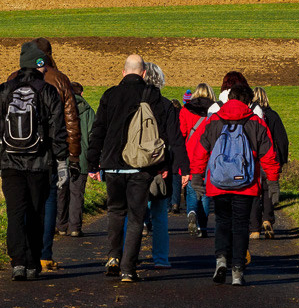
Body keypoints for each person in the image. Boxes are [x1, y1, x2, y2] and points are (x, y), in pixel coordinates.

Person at [86, 54, 185, 283]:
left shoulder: (109, 95)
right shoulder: (154, 97)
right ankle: (128, 269)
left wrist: (92, 162)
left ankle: (113, 256)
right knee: (135, 217)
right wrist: (169, 165)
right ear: (143, 73)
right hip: (140, 167)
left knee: (115, 211)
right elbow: (166, 135)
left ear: (123, 72)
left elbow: (98, 130)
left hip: (112, 166)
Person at [0, 42, 70, 280]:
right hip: (39, 164)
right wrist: (61, 162)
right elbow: (58, 130)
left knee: (15, 214)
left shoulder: (4, 90)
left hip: (10, 163)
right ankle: (33, 264)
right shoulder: (48, 92)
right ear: (39, 65)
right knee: (36, 213)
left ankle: (17, 263)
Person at [188, 70, 279, 286]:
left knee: (221, 221)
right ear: (248, 102)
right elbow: (269, 156)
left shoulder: (214, 120)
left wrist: (197, 178)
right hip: (246, 184)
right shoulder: (256, 122)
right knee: (240, 225)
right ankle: (237, 271)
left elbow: (200, 151)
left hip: (218, 183)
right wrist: (273, 183)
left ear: (228, 98)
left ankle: (221, 260)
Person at [4, 37, 80, 271]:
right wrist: (71, 155)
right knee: (45, 204)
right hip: (43, 155)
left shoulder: (10, 81)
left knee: (18, 206)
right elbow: (69, 120)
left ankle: (19, 256)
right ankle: (42, 255)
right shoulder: (58, 81)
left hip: (13, 154)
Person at [140, 61, 183, 269]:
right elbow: (175, 139)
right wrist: (180, 167)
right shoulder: (166, 106)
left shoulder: (134, 104)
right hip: (159, 165)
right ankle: (161, 258)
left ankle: (126, 257)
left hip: (135, 164)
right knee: (159, 215)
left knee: (132, 214)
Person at [251, 87, 289, 238]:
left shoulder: (251, 117)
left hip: (254, 159)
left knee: (254, 191)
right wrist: (282, 160)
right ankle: (267, 219)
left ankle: (254, 227)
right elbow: (283, 141)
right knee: (268, 190)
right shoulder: (273, 116)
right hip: (270, 159)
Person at [178, 82, 214, 237]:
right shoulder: (215, 110)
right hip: (209, 155)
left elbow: (181, 134)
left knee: (192, 192)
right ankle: (202, 227)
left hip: (190, 155)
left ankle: (191, 212)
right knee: (205, 193)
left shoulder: (186, 110)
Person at [64, 80, 94, 237]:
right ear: (82, 93)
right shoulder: (88, 110)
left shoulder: (62, 107)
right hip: (81, 157)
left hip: (63, 156)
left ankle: (61, 225)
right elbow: (92, 135)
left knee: (61, 191)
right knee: (77, 193)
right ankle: (75, 227)